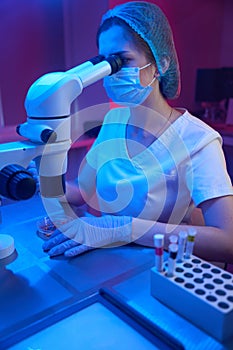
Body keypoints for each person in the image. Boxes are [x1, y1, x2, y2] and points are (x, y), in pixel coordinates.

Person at [42, 1, 233, 264]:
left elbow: (227, 242)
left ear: (160, 64)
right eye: (106, 64)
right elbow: (84, 191)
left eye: (123, 60)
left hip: (165, 272)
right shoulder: (114, 121)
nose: (112, 73)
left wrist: (127, 228)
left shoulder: (198, 140)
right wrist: (46, 181)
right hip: (114, 264)